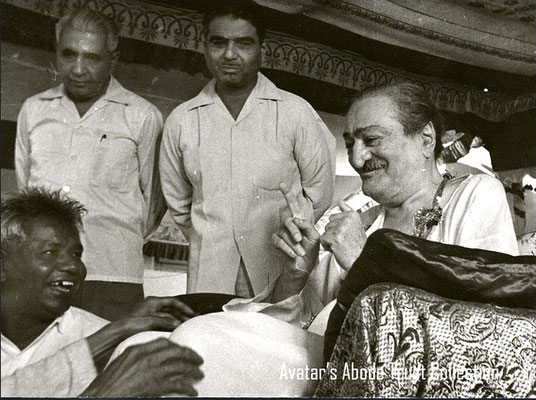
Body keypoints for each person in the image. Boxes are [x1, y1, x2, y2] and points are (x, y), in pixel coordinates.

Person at [112, 81, 519, 397]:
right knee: (144, 345)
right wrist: (296, 272)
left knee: (195, 343)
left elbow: (481, 324)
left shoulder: (474, 195)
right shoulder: (362, 217)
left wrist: (365, 259)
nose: (358, 158)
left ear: (426, 139)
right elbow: (298, 315)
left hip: (370, 369)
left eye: (372, 140)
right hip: (314, 352)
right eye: (350, 143)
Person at [160, 0, 335, 297]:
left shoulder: (296, 112)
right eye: (219, 43)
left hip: (280, 269)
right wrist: (215, 238)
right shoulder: (182, 120)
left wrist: (291, 230)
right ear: (204, 48)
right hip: (210, 272)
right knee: (207, 341)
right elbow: (178, 205)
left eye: (243, 43)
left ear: (262, 50)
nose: (230, 54)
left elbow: (320, 192)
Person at [15, 8, 166, 321]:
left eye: (92, 57)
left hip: (112, 276)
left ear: (113, 58)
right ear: (56, 53)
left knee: (112, 365)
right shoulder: (33, 111)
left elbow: (154, 203)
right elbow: (26, 192)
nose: (78, 69)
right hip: (44, 273)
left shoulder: (142, 116)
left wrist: (113, 237)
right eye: (69, 54)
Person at [1, 188, 203, 397]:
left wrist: (117, 331)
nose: (73, 266)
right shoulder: (107, 338)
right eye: (50, 252)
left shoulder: (118, 346)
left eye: (76, 254)